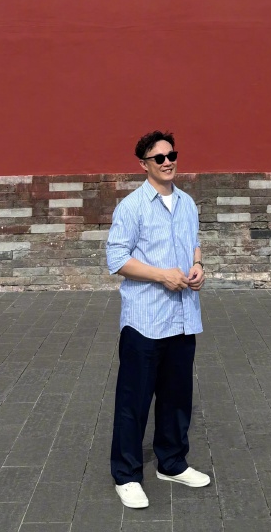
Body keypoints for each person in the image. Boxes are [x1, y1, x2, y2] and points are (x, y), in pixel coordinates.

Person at [106, 130, 210, 509]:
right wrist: (161, 275)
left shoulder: (187, 203)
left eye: (172, 155)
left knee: (177, 397)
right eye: (159, 158)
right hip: (145, 319)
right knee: (133, 402)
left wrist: (198, 266)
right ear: (144, 165)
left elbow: (194, 242)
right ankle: (126, 475)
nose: (168, 162)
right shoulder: (131, 207)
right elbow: (117, 258)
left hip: (183, 317)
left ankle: (172, 462)